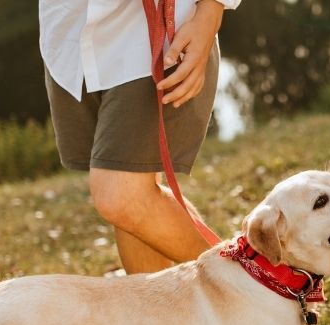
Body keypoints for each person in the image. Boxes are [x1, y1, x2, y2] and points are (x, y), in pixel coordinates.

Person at [40, 0, 240, 274]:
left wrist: (210, 13)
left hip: (153, 35)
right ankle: (159, 314)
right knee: (133, 185)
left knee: (120, 195)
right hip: (71, 34)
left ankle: (247, 282)